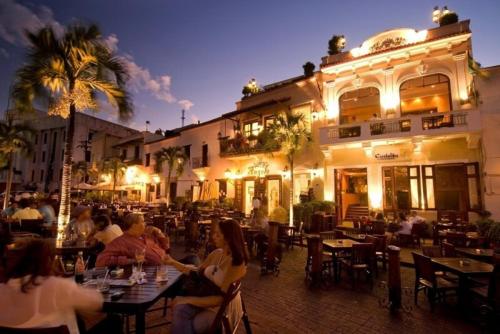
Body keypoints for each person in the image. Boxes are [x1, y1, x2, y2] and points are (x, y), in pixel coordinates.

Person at [0, 239, 121, 334]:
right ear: (46, 260)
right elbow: (96, 301)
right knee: (113, 320)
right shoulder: (56, 285)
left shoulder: (3, 288)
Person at [167, 220, 248, 334]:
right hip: (206, 301)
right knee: (179, 309)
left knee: (182, 317)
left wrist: (187, 299)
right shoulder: (217, 253)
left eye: (218, 234)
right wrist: (173, 262)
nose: (213, 236)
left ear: (228, 238)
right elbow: (197, 272)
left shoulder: (236, 263)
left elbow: (220, 299)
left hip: (222, 312)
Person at [95, 213, 170, 267]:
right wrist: (132, 260)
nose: (145, 224)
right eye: (143, 221)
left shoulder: (147, 235)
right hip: (151, 277)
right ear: (134, 225)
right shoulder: (121, 242)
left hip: (168, 268)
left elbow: (166, 248)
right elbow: (100, 261)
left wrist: (159, 232)